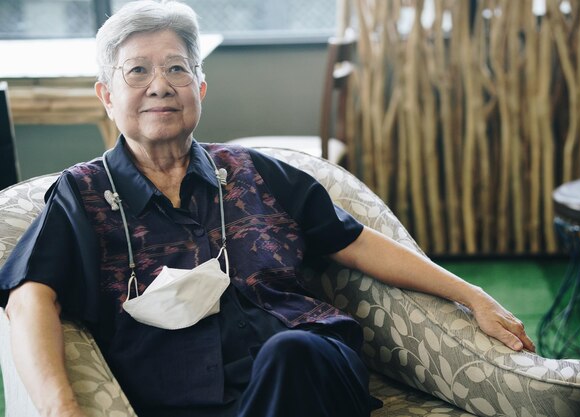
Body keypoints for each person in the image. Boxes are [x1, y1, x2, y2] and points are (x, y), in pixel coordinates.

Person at [0, 1, 535, 416]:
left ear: (201, 88)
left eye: (177, 69)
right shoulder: (83, 195)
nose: (160, 85)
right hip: (181, 394)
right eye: (136, 71)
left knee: (292, 354)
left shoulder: (254, 171)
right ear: (106, 94)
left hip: (311, 368)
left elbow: (356, 242)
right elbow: (29, 299)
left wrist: (471, 294)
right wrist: (60, 407)